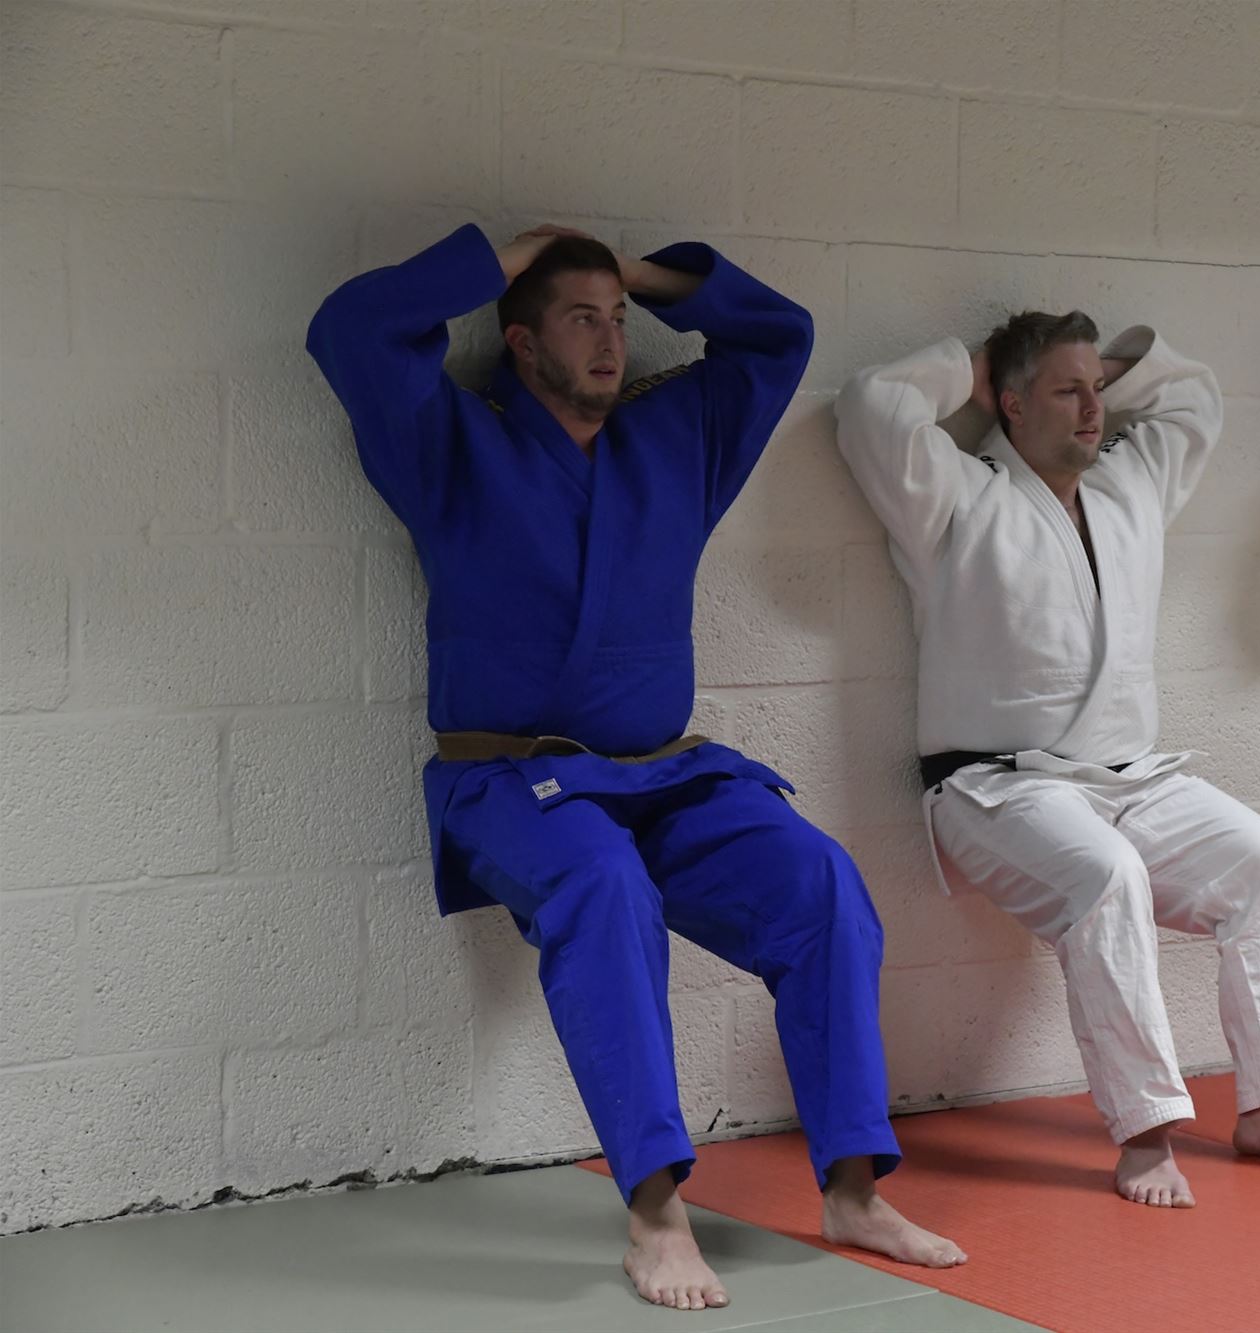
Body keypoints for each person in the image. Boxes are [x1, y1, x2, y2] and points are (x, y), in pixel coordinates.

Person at [308, 222, 963, 1311]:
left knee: (821, 883)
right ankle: (656, 1214)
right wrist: (510, 255)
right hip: (511, 782)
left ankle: (853, 1188)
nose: (611, 340)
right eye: (582, 319)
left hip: (664, 775)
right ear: (522, 343)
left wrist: (642, 274)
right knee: (605, 886)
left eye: (618, 319)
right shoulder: (448, 443)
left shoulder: (676, 440)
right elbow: (351, 327)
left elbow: (778, 337)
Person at [835, 311, 1260, 1210]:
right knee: (1110, 875)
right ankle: (1146, 1131)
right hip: (995, 786)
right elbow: (871, 407)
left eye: (1099, 390)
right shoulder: (953, 494)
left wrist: (1094, 363)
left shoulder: (1130, 484)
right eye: (1067, 391)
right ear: (1010, 404)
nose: (1094, 410)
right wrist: (975, 366)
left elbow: (1194, 397)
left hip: (1131, 777)